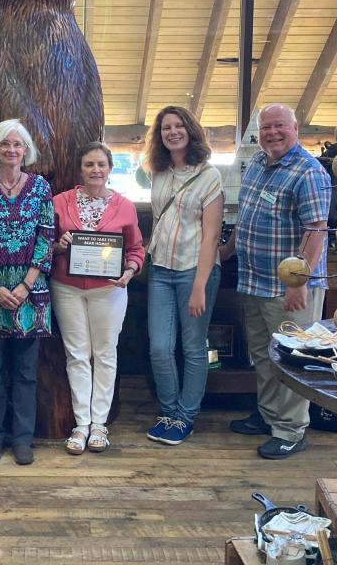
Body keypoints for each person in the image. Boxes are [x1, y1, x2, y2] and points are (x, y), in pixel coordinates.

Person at [220, 103, 330, 460]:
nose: (272, 133)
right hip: (254, 280)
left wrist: (298, 281)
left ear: (295, 128)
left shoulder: (308, 172)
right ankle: (269, 415)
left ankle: (291, 430)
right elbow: (246, 214)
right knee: (263, 355)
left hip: (289, 289)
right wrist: (228, 249)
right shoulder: (257, 163)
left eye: (279, 126)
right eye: (266, 127)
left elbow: (316, 231)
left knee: (292, 356)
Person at [0, 119, 54, 466]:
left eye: (18, 144)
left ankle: (22, 439)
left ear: (26, 149)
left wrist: (24, 285)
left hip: (31, 292)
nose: (12, 150)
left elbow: (47, 238)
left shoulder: (40, 187)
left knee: (26, 372)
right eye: (5, 144)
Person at [51, 142, 145, 455]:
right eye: (89, 164)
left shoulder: (125, 205)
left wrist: (130, 272)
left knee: (105, 354)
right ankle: (81, 424)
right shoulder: (60, 202)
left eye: (101, 164)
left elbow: (135, 249)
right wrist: (59, 245)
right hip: (67, 287)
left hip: (110, 289)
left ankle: (100, 424)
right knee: (76, 355)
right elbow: (42, 245)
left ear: (110, 168)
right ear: (80, 169)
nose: (96, 170)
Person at [142, 106, 223, 446]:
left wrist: (200, 286)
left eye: (178, 126)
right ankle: (168, 411)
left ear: (190, 130)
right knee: (159, 347)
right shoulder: (157, 173)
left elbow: (211, 235)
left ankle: (186, 417)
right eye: (165, 128)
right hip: (160, 268)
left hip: (195, 269)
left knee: (192, 347)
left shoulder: (210, 175)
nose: (172, 132)